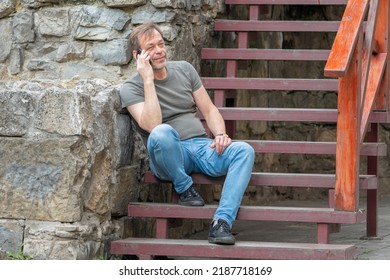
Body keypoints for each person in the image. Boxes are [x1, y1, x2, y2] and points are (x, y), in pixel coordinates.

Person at [120, 22, 255, 245]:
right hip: (168, 155)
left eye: (161, 44)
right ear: (138, 56)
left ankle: (221, 223)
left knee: (244, 151)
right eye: (151, 47)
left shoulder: (184, 69)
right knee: (162, 132)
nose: (159, 50)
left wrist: (220, 133)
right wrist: (148, 80)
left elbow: (209, 109)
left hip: (201, 147)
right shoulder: (130, 88)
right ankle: (185, 188)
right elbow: (153, 125)